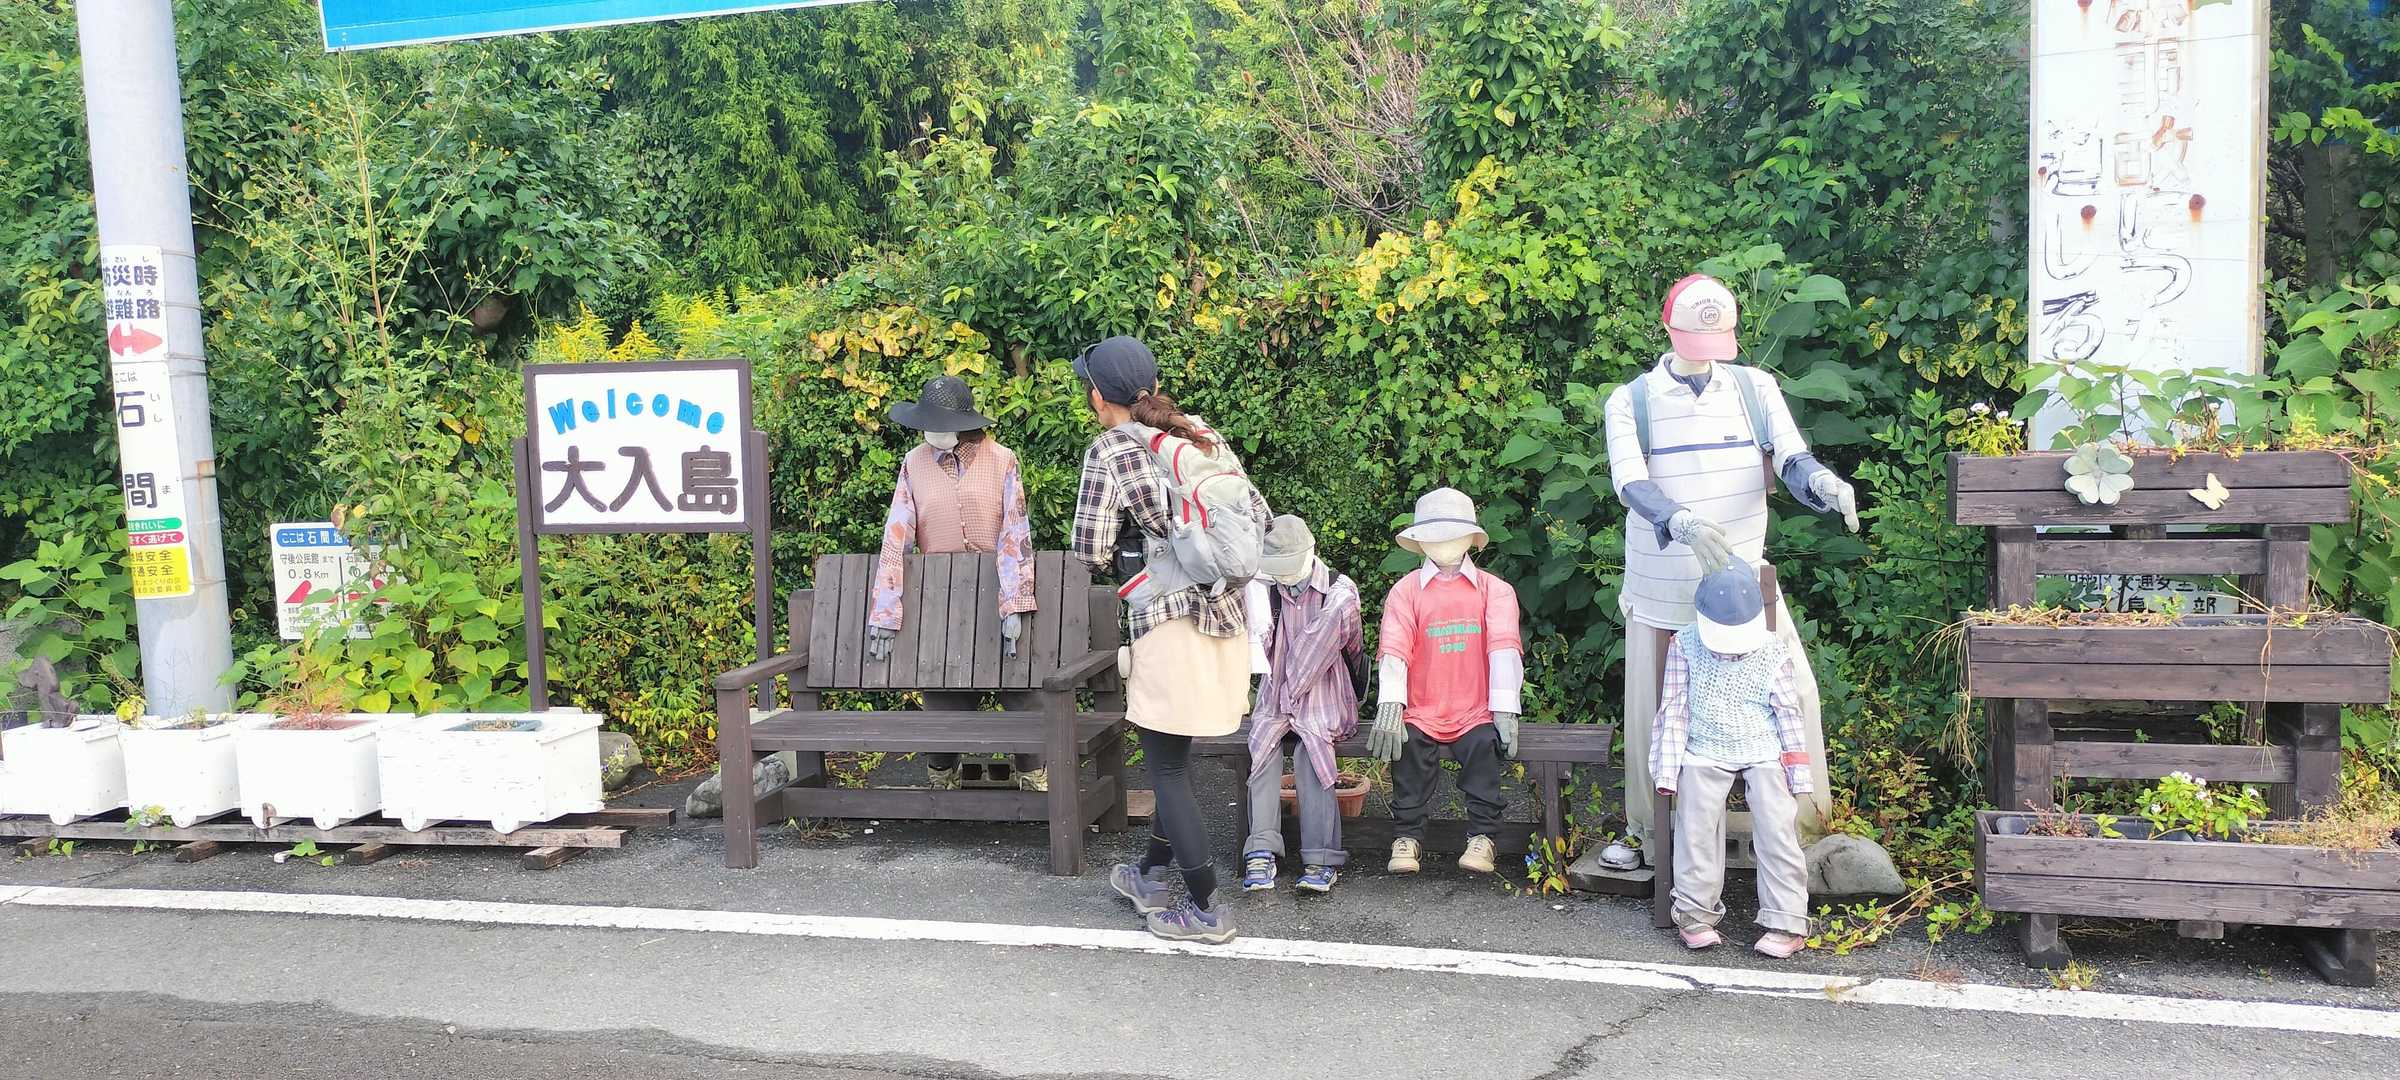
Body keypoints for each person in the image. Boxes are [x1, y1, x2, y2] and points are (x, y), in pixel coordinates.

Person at [1600, 272, 1858, 869]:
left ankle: (1808, 827)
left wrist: (1823, 483)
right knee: (1654, 711)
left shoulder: (1754, 387)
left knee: (1795, 693)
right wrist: (1681, 521)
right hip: (1664, 587)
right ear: (1669, 331)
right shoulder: (1631, 401)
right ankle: (1647, 830)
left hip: (1746, 585)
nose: (1706, 356)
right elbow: (1629, 481)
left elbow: (1791, 456)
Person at [1073, 336, 1268, 944]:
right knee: (1174, 763)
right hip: (1224, 621)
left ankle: (1207, 908)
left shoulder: (1109, 449)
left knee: (1164, 768)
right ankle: (1151, 875)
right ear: (1152, 386)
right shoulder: (1200, 435)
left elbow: (1089, 550)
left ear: (1097, 395)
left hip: (1165, 627)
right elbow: (1257, 517)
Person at [866, 375, 1042, 791]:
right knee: (942, 688)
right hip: (939, 596)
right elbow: (897, 536)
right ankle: (941, 777)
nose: (931, 431)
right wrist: (885, 611)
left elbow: (1015, 532)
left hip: (995, 589)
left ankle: (1035, 776)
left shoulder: (1002, 460)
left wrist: (1015, 601)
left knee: (1020, 685)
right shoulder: (913, 463)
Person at [1652, 562, 1813, 958]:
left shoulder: (1774, 652)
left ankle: (1786, 918)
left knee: (1777, 823)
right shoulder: (1685, 645)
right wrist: (1667, 770)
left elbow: (1788, 714)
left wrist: (1798, 773)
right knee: (1696, 822)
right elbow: (1674, 710)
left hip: (1763, 748)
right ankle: (1694, 913)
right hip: (1704, 746)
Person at [1368, 487, 1523, 876]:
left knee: (1484, 748)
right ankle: (1406, 837)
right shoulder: (1405, 592)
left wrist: (1505, 708)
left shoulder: (1495, 590)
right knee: (1407, 749)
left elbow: (1504, 648)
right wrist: (1391, 703)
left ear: (1471, 537)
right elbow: (1394, 648)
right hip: (1422, 708)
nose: (1443, 542)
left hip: (1475, 708)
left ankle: (1483, 837)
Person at [1240, 515, 1364, 894]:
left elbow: (1321, 650)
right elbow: (1255, 644)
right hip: (1276, 691)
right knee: (1262, 747)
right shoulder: (1265, 588)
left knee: (1312, 748)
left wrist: (1287, 696)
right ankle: (1260, 850)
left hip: (1326, 689)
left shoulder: (1340, 592)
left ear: (1310, 553)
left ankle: (1321, 858)